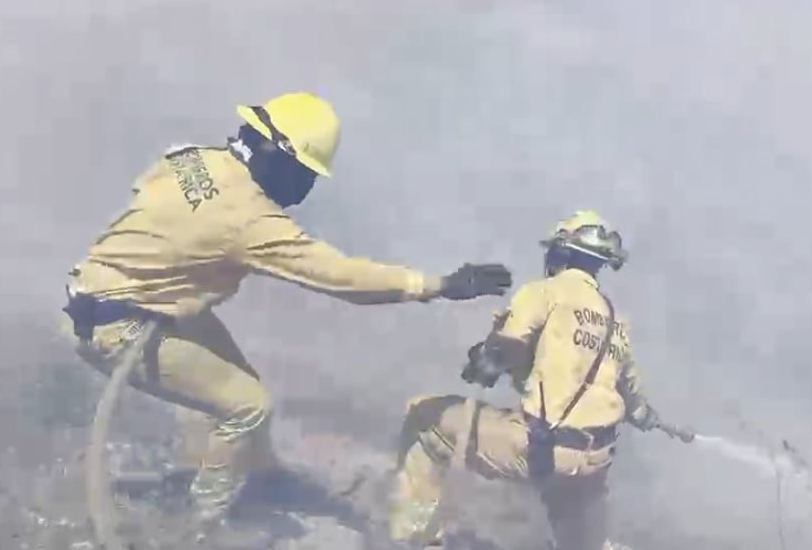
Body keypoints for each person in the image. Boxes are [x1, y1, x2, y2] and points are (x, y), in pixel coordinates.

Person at [58, 91, 512, 541]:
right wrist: (438, 286)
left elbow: (153, 199)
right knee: (249, 406)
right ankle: (200, 525)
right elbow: (340, 277)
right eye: (304, 175)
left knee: (239, 382)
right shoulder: (248, 220)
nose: (304, 188)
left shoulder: (193, 157)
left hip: (108, 295)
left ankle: (259, 480)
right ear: (278, 156)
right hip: (119, 324)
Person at [385, 210, 670, 550]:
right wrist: (646, 416)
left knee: (424, 419)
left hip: (542, 450)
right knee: (584, 541)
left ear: (561, 253)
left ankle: (416, 539)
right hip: (593, 463)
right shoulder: (615, 320)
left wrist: (489, 356)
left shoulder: (544, 292)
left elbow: (510, 344)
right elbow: (634, 399)